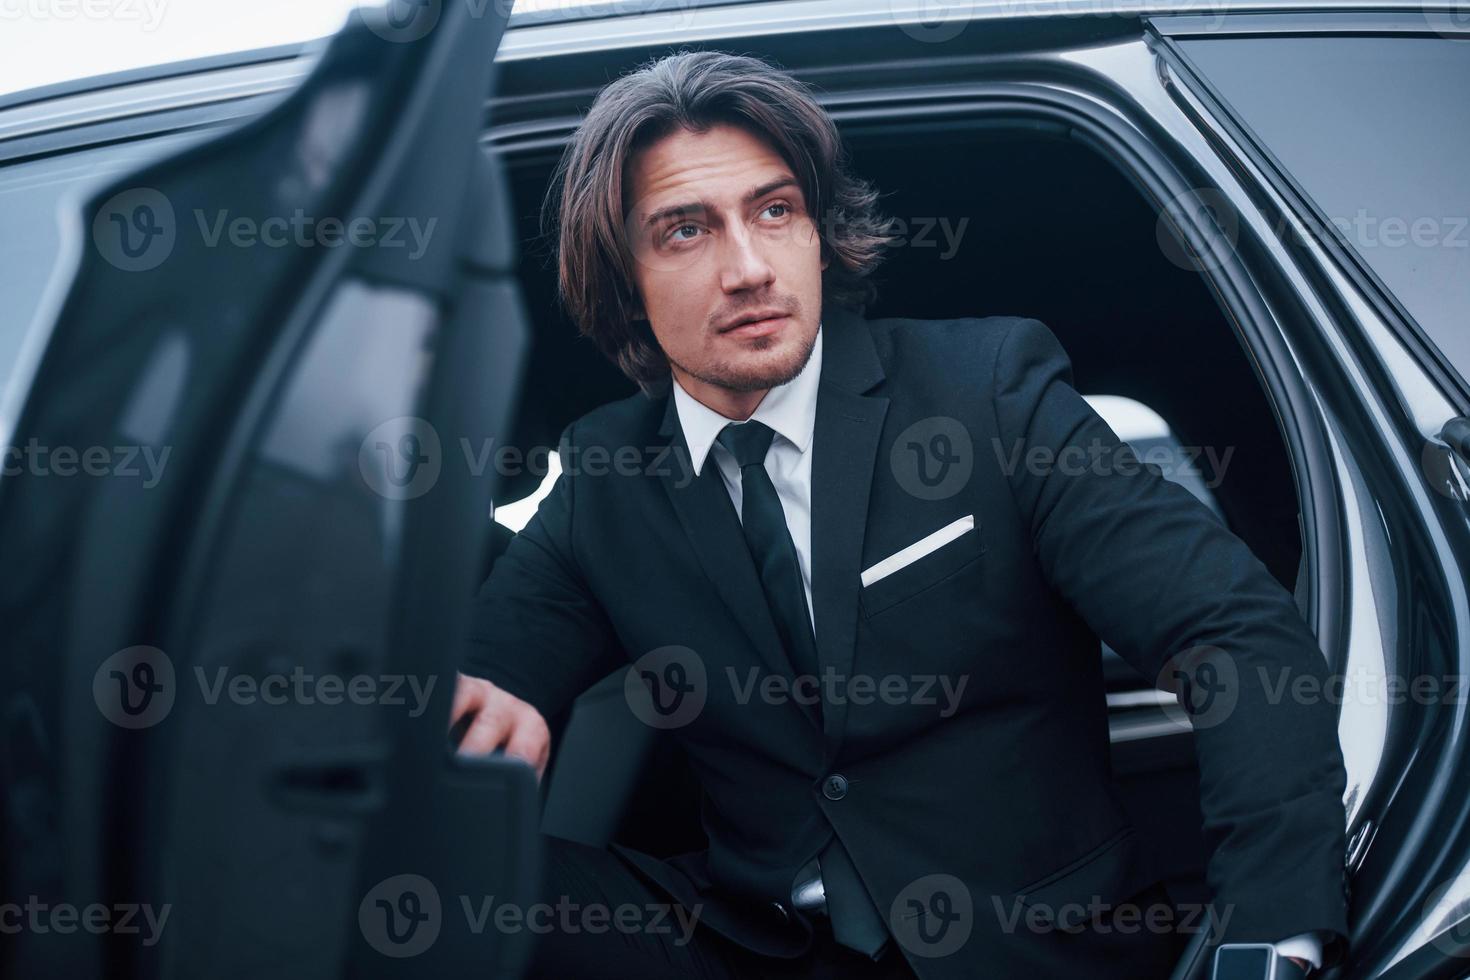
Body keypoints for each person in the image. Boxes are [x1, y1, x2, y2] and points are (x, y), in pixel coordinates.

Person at [451, 50, 1347, 979]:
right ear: (621, 274)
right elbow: (498, 660)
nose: (750, 268)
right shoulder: (608, 469)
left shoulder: (987, 392)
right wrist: (488, 695)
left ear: (819, 232)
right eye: (685, 231)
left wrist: (1265, 936)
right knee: (390, 865)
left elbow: (1230, 634)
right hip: (751, 944)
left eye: (775, 210)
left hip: (1020, 946)